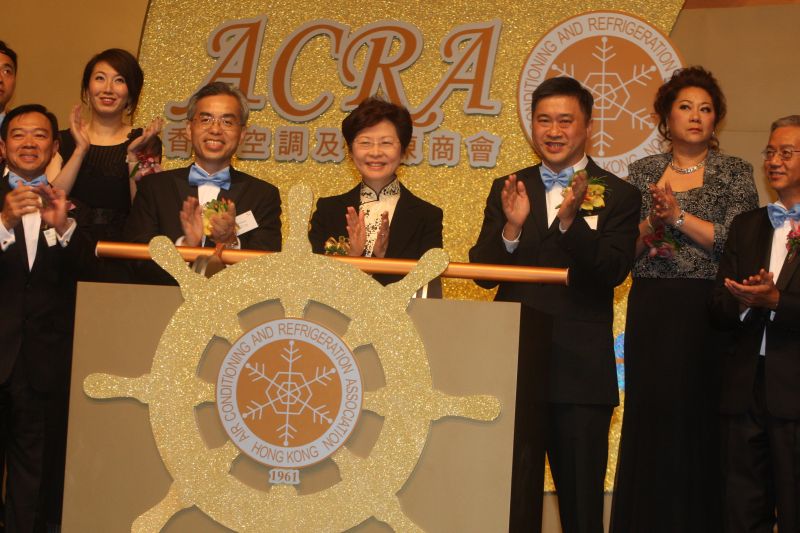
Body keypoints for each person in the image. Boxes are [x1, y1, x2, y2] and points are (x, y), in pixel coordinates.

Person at [470, 76, 641, 533]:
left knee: (582, 510)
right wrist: (510, 230)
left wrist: (570, 226)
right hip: (513, 370)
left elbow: (613, 270)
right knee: (509, 506)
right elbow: (482, 273)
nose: (554, 130)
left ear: (587, 126)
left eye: (565, 120)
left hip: (581, 374)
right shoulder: (510, 186)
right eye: (543, 120)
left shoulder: (619, 194)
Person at [609, 67, 758, 533]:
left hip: (708, 309)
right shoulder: (642, 173)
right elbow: (625, 251)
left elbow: (740, 243)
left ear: (716, 120)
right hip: (653, 308)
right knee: (651, 417)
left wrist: (677, 217)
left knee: (702, 419)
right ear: (665, 117)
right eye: (685, 107)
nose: (696, 116)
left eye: (706, 109)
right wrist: (651, 228)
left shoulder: (735, 172)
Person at [0, 104, 95, 532]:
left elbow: (92, 277)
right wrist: (3, 223)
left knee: (33, 483)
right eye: (18, 134)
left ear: (55, 146)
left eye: (39, 135)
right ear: (3, 145)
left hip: (43, 366)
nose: (28, 143)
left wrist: (63, 229)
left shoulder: (72, 205)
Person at [711, 115, 800, 532]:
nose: (774, 161)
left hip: (795, 390)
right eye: (770, 152)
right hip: (745, 390)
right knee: (743, 512)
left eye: (786, 153)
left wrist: (777, 300)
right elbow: (717, 304)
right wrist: (745, 300)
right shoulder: (747, 225)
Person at [124, 81, 281, 284]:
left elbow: (267, 270)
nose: (215, 129)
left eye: (227, 122)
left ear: (242, 134)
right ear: (189, 129)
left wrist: (229, 243)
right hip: (164, 299)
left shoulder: (263, 195)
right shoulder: (154, 187)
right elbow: (135, 262)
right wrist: (185, 247)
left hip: (231, 301)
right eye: (206, 119)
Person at [308, 96, 442, 286]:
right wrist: (353, 257)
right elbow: (310, 278)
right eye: (365, 143)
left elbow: (427, 285)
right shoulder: (328, 210)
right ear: (350, 152)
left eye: (386, 143)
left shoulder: (427, 216)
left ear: (404, 151)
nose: (375, 152)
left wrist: (383, 260)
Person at [47, 48, 162, 243]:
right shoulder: (64, 139)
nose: (108, 89)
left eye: (119, 80)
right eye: (100, 78)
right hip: (67, 245)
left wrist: (133, 157)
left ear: (131, 94)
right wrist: (80, 150)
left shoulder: (144, 141)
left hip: (121, 249)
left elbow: (145, 209)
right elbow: (49, 202)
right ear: (87, 89)